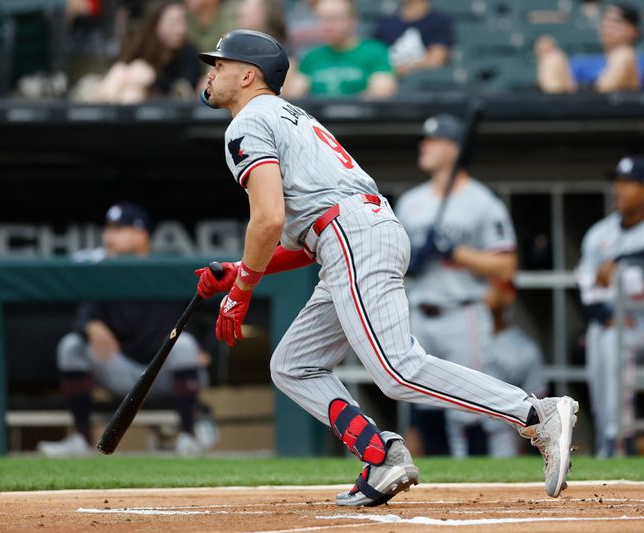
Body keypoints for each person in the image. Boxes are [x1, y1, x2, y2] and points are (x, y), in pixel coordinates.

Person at [195, 29, 577, 505]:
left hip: (351, 236)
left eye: (220, 65)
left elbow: (269, 218)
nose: (211, 73)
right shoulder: (289, 116)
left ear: (248, 75)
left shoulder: (248, 120)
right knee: (293, 365)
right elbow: (308, 234)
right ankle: (382, 456)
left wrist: (242, 291)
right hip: (349, 234)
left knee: (397, 369)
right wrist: (241, 268)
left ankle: (536, 414)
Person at [37, 202, 215, 457]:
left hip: (163, 372)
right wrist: (91, 325)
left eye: (119, 229)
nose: (109, 236)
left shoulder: (167, 270)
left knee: (185, 344)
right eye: (109, 229)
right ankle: (81, 440)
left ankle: (189, 437)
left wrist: (209, 348)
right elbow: (83, 316)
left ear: (141, 234)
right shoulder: (105, 273)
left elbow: (212, 309)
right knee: (71, 346)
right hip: (121, 370)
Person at [394, 114, 519, 459]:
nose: (424, 146)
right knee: (422, 400)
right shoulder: (411, 202)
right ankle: (439, 478)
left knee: (470, 402)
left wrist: (456, 252)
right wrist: (413, 260)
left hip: (462, 313)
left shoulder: (481, 201)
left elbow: (506, 264)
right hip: (420, 307)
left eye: (433, 140)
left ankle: (476, 476)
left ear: (453, 148)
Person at [576, 155, 644, 457]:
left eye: (629, 183)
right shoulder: (600, 233)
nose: (619, 190)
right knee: (602, 340)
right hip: (615, 322)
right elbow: (583, 285)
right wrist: (604, 315)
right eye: (618, 182)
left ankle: (618, 439)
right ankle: (608, 438)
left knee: (614, 344)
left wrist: (624, 259)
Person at [481, 280, 548, 457]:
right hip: (457, 434)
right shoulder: (452, 343)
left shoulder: (525, 349)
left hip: (502, 439)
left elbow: (539, 412)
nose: (483, 294)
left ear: (508, 295)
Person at [535, 2, 644, 93]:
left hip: (626, 111)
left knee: (623, 55)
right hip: (578, 109)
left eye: (616, 21)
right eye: (605, 21)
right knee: (553, 59)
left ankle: (598, 101)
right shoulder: (583, 62)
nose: (608, 26)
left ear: (634, 31)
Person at [283, 0, 396, 99]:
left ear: (353, 21)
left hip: (360, 122)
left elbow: (381, 94)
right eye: (321, 18)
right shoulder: (311, 57)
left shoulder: (375, 51)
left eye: (334, 18)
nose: (327, 26)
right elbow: (295, 98)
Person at [93, 0, 200, 103]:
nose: (180, 29)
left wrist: (152, 80)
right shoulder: (142, 48)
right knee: (120, 73)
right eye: (173, 23)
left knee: (133, 92)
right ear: (156, 24)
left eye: (183, 22)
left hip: (169, 108)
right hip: (129, 96)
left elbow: (185, 88)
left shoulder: (189, 52)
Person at [373, 0, 454, 78]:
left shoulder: (439, 21)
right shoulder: (386, 22)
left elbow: (437, 59)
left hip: (424, 84)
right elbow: (374, 57)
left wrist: (407, 68)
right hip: (387, 83)